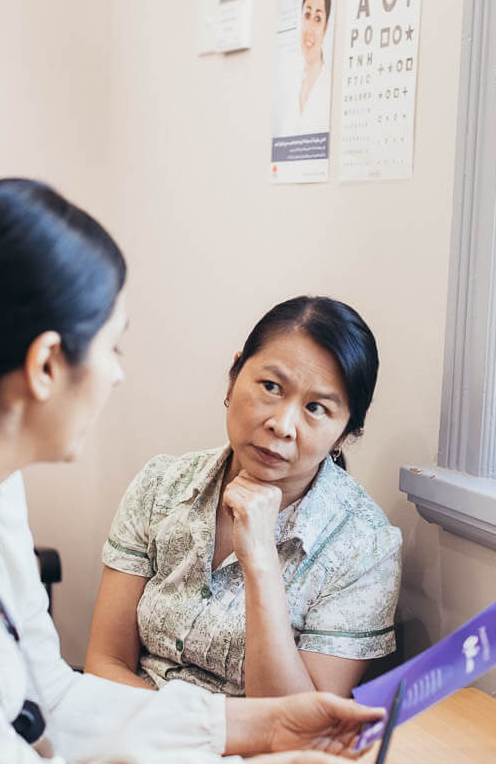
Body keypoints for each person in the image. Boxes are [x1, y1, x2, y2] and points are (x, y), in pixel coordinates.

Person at [0, 179, 397, 764]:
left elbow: (49, 696)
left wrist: (267, 722)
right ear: (47, 363)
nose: (119, 375)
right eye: (113, 347)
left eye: (317, 408)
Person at [86, 296, 401, 698]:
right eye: (271, 387)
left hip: (254, 757)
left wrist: (261, 562)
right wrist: (182, 737)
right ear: (234, 377)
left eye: (316, 408)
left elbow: (299, 722)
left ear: (343, 433)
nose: (282, 425)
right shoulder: (160, 486)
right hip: (133, 728)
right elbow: (104, 665)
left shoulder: (365, 547)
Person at [275, 0, 333, 138]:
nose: (309, 29)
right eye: (307, 15)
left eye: (318, 18)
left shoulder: (330, 86)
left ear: (325, 28)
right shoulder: (291, 82)